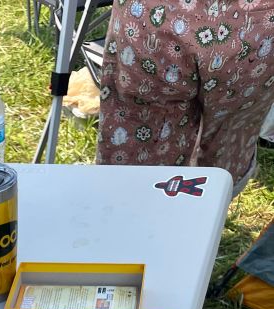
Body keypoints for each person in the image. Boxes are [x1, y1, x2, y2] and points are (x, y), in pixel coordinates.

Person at [96, 0, 274, 194]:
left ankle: (130, 207)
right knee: (225, 146)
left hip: (152, 17)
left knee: (137, 150)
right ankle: (207, 211)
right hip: (255, 26)